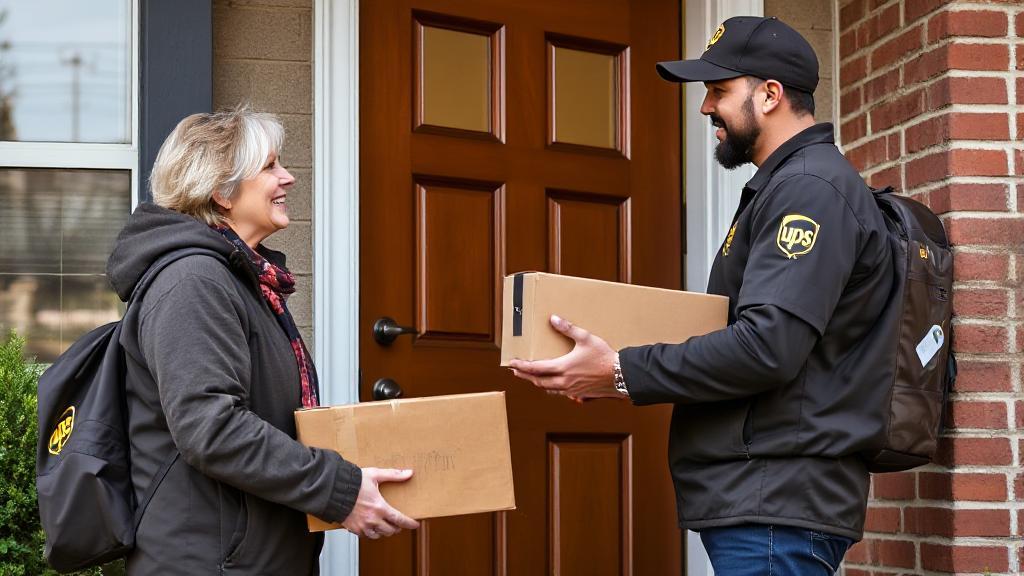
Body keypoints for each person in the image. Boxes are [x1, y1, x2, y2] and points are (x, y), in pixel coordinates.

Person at [509, 16, 893, 575]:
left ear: (769, 95)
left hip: (775, 503)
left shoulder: (809, 190)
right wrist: (610, 373)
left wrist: (620, 370)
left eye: (718, 90)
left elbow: (767, 348)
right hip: (762, 498)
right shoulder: (786, 185)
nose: (704, 107)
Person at [107, 107, 418, 575]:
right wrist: (337, 488)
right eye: (270, 166)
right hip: (207, 563)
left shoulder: (245, 281)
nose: (288, 177)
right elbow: (211, 429)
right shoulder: (192, 281)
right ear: (221, 191)